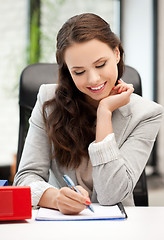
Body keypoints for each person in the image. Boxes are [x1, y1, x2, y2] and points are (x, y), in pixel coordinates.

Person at [14, 13, 163, 214]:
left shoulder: (147, 114)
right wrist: (56, 199)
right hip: (60, 223)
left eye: (100, 64)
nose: (93, 79)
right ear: (67, 70)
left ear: (117, 54)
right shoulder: (48, 100)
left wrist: (104, 112)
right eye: (78, 72)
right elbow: (25, 179)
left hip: (120, 227)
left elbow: (111, 195)